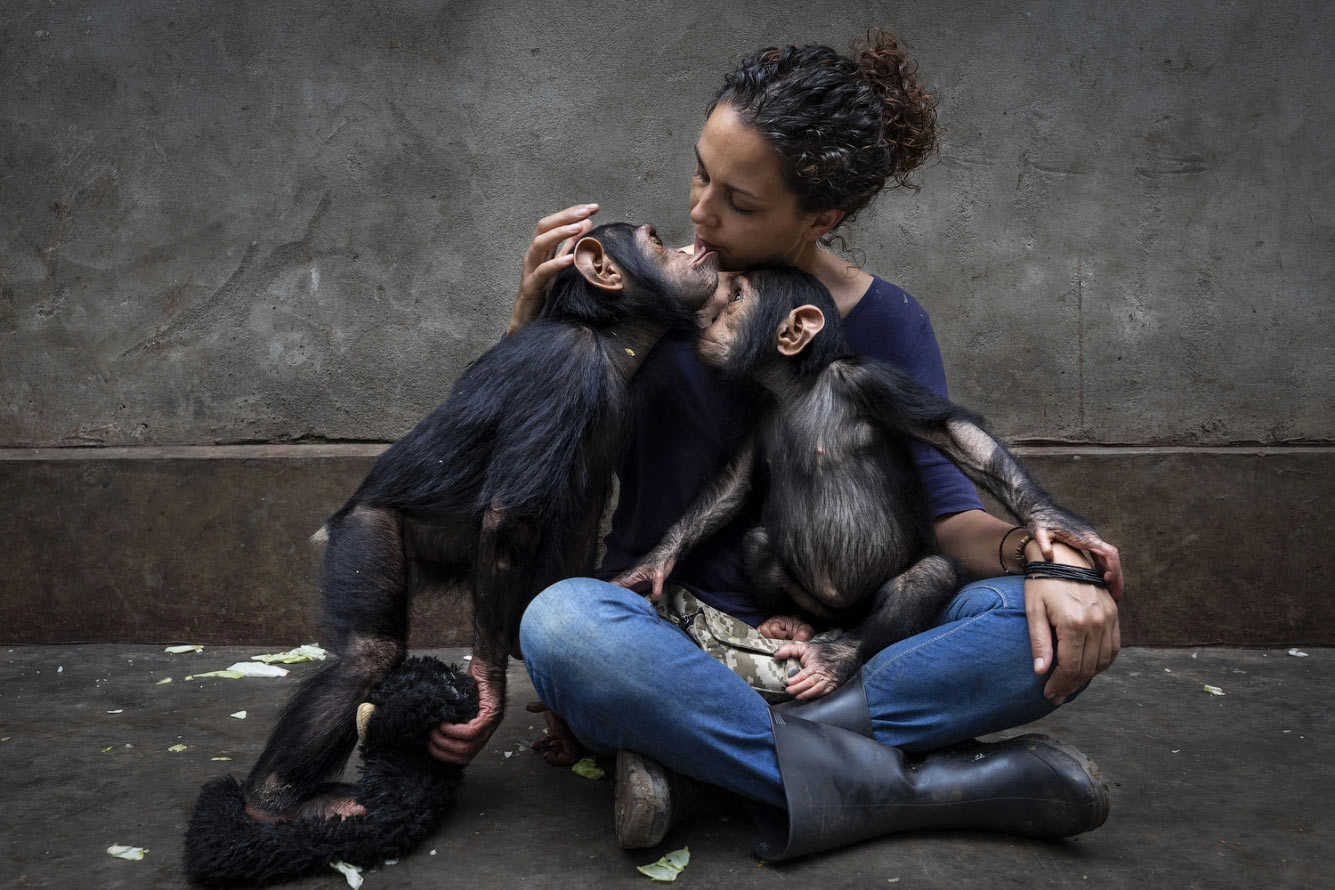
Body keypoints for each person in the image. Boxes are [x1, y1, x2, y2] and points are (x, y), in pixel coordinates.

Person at [432, 30, 1123, 859]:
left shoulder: (886, 325)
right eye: (700, 173)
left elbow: (946, 524)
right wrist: (528, 335)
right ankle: (904, 786)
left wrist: (1051, 563)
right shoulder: (646, 293)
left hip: (838, 652)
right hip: (667, 645)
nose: (699, 212)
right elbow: (515, 491)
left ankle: (705, 767)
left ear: (820, 217)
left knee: (1029, 627)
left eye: (741, 203)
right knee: (563, 625)